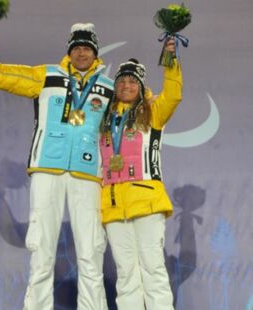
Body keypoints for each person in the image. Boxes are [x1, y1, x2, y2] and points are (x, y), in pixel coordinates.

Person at [0, 15, 114, 310]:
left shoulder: (108, 87)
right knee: (41, 249)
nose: (81, 52)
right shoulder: (46, 76)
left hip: (89, 174)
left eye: (87, 48)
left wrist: (170, 59)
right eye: (76, 47)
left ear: (96, 53)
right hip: (47, 169)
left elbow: (148, 108)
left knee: (92, 252)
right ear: (69, 51)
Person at [99, 39, 181, 310]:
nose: (126, 85)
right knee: (126, 275)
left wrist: (170, 59)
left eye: (133, 82)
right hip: (113, 206)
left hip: (147, 201)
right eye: (121, 81)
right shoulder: (105, 120)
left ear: (141, 87)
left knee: (153, 269)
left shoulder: (153, 112)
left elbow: (173, 94)